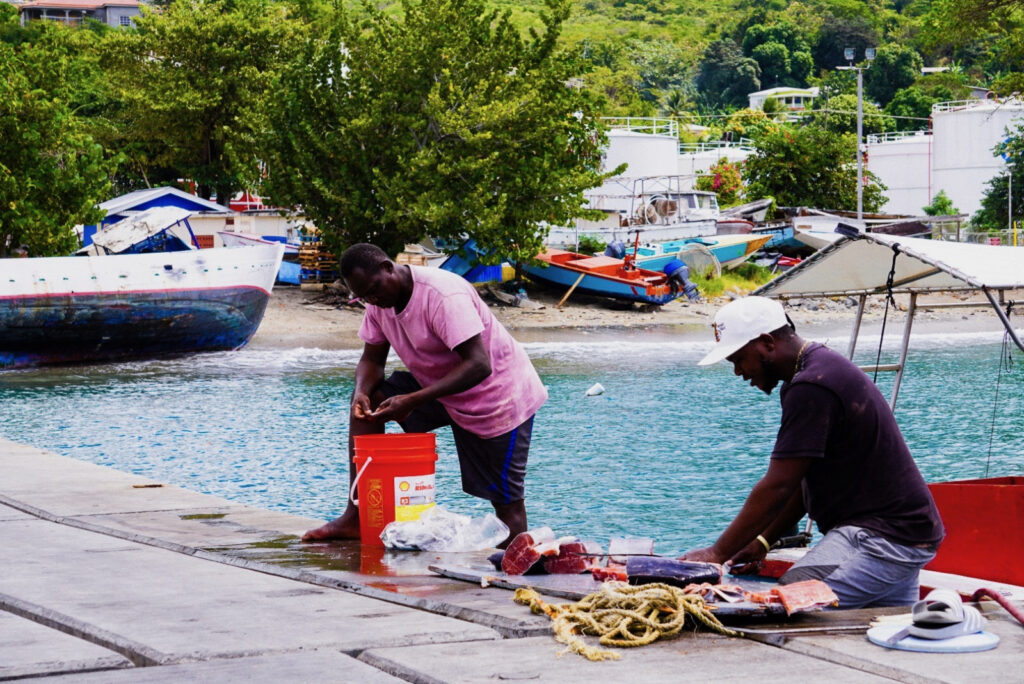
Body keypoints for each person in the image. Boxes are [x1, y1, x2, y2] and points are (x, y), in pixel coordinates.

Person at [680, 296, 944, 608]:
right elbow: (800, 481)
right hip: (904, 533)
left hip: (883, 538)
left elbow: (777, 486)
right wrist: (762, 541)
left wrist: (716, 554)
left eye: (738, 359)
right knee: (883, 625)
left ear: (766, 343)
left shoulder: (812, 386)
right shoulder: (812, 372)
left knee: (788, 601)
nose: (739, 371)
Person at [302, 243, 548, 546]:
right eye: (364, 296)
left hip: (497, 395)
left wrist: (414, 399)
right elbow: (371, 359)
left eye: (375, 289)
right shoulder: (378, 304)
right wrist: (360, 393)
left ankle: (514, 568)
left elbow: (479, 365)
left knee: (506, 504)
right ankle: (357, 515)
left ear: (388, 267)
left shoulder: (442, 296)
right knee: (368, 404)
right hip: (441, 386)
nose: (373, 299)